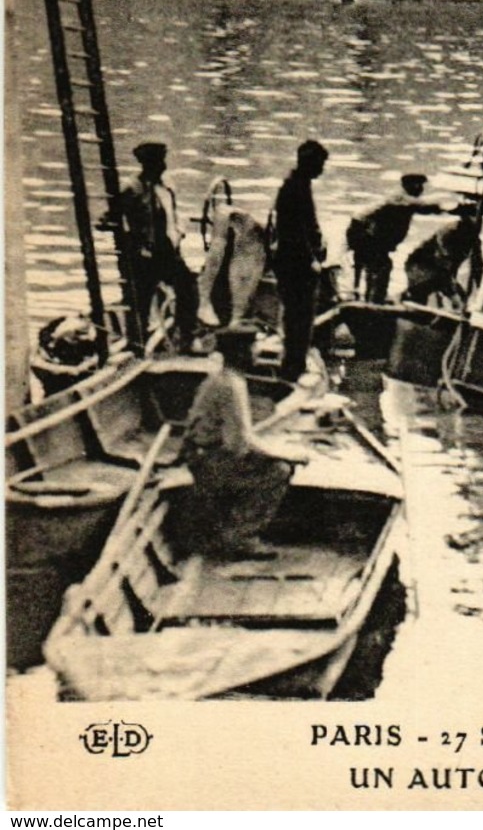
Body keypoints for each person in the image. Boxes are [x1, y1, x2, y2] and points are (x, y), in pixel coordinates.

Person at [174, 324, 309, 560]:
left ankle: (220, 525)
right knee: (278, 471)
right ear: (240, 353)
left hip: (199, 454)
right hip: (208, 462)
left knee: (266, 461)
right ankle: (240, 538)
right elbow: (238, 443)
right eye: (253, 346)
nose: (258, 351)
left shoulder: (221, 378)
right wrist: (287, 454)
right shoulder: (231, 385)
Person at [118, 141, 199, 349]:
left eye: (163, 160)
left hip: (166, 252)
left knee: (188, 288)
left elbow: (173, 215)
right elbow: (111, 217)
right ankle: (136, 345)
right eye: (158, 161)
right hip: (143, 256)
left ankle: (186, 336)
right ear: (146, 164)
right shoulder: (131, 188)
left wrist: (179, 232)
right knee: (140, 302)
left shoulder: (167, 186)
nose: (163, 165)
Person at [270, 139, 328, 382]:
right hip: (296, 264)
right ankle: (293, 367)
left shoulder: (299, 184)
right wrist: (311, 260)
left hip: (294, 261)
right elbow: (293, 232)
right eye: (320, 163)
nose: (322, 169)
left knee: (298, 316)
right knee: (300, 316)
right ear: (309, 162)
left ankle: (294, 363)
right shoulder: (294, 187)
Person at [346, 173, 447, 303]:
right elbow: (422, 206)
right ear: (406, 185)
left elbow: (425, 209)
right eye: (417, 185)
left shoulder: (405, 201)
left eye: (421, 185)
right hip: (362, 233)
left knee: (375, 268)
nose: (420, 189)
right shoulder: (399, 197)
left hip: (369, 236)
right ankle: (373, 302)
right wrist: (450, 207)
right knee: (380, 267)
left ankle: (370, 299)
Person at [402, 207, 483, 307]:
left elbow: (478, 266)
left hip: (440, 271)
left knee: (460, 299)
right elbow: (443, 262)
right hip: (421, 267)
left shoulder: (474, 239)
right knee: (421, 294)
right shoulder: (450, 232)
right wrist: (453, 290)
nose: (477, 222)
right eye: (473, 217)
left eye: (479, 218)